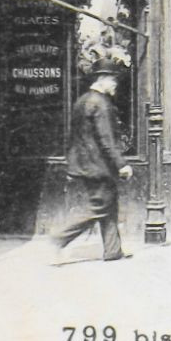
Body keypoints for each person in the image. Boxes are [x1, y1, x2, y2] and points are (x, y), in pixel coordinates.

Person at [52, 59, 133, 262]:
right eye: (113, 79)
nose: (116, 84)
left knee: (109, 204)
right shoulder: (101, 104)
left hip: (85, 164)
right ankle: (59, 238)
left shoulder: (82, 100)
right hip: (99, 166)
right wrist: (121, 164)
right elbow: (106, 140)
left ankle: (113, 251)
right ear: (102, 79)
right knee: (98, 207)